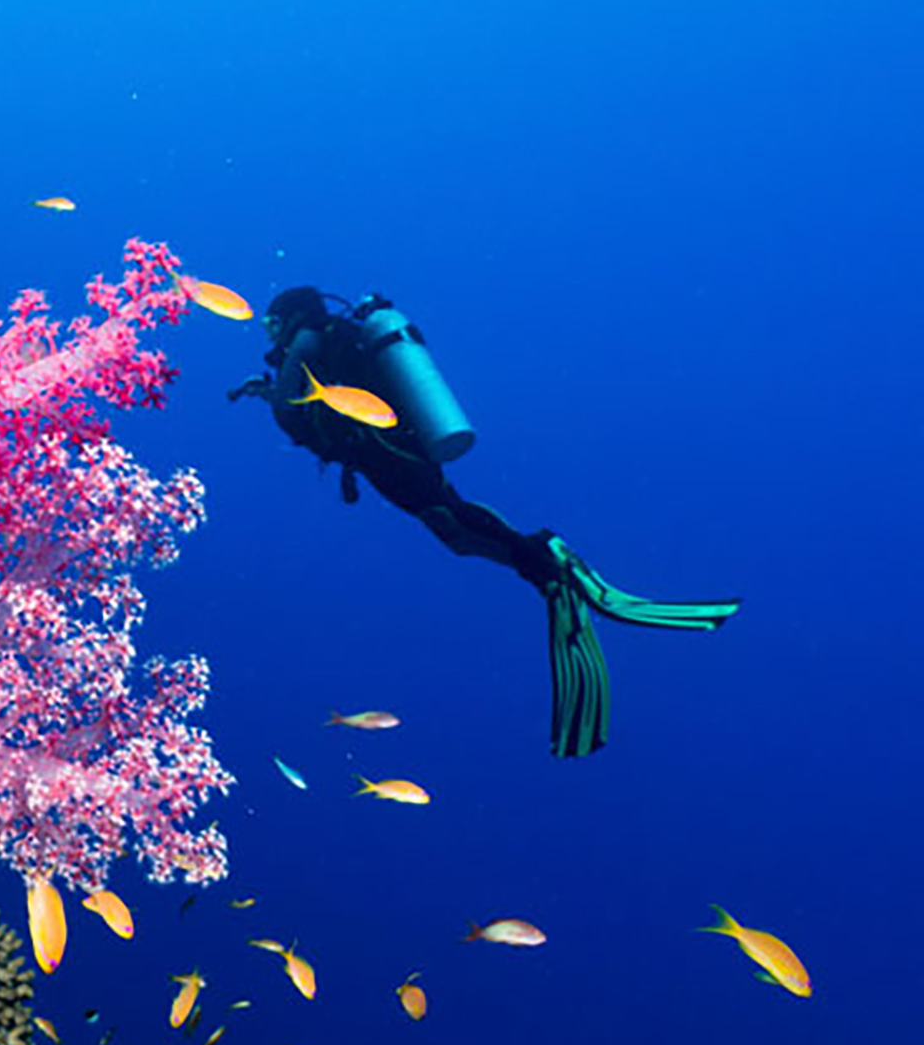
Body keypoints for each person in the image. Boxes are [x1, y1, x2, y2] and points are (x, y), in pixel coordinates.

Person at [228, 286, 738, 757]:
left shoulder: (309, 341)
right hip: (393, 444)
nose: (271, 334)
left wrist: (274, 391)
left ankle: (545, 559)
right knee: (453, 525)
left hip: (383, 449)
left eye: (272, 324)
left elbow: (293, 416)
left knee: (450, 517)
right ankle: (538, 561)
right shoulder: (336, 340)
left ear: (291, 317)